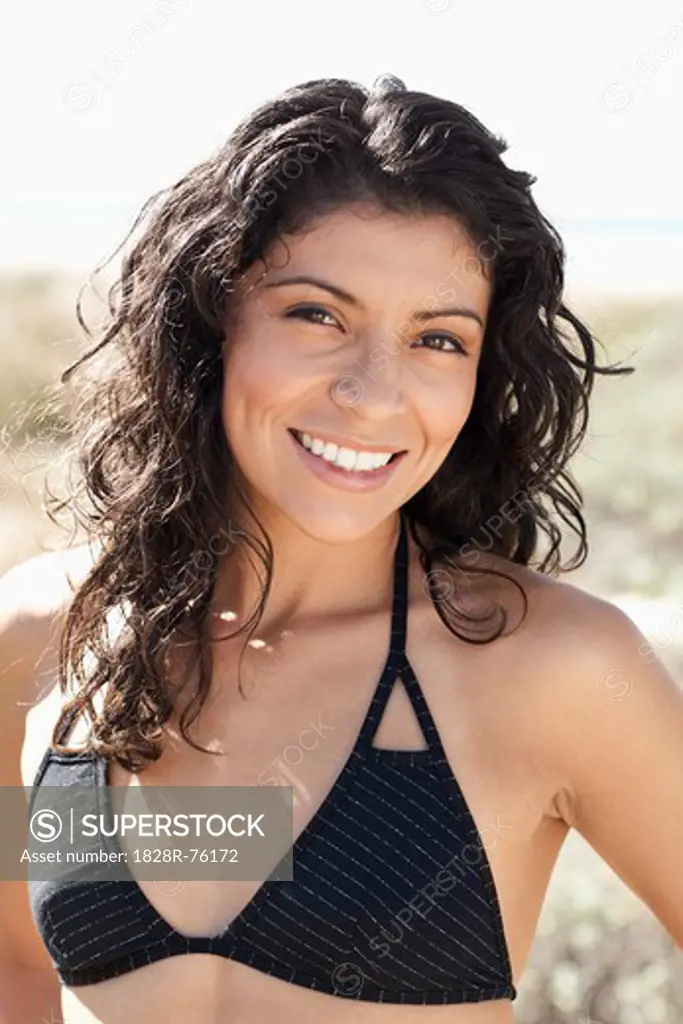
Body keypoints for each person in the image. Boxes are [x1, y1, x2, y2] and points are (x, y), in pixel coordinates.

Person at [1, 74, 682, 1024]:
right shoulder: (43, 640)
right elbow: (17, 971)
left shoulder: (555, 670)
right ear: (210, 321)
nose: (372, 393)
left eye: (437, 340)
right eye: (317, 315)